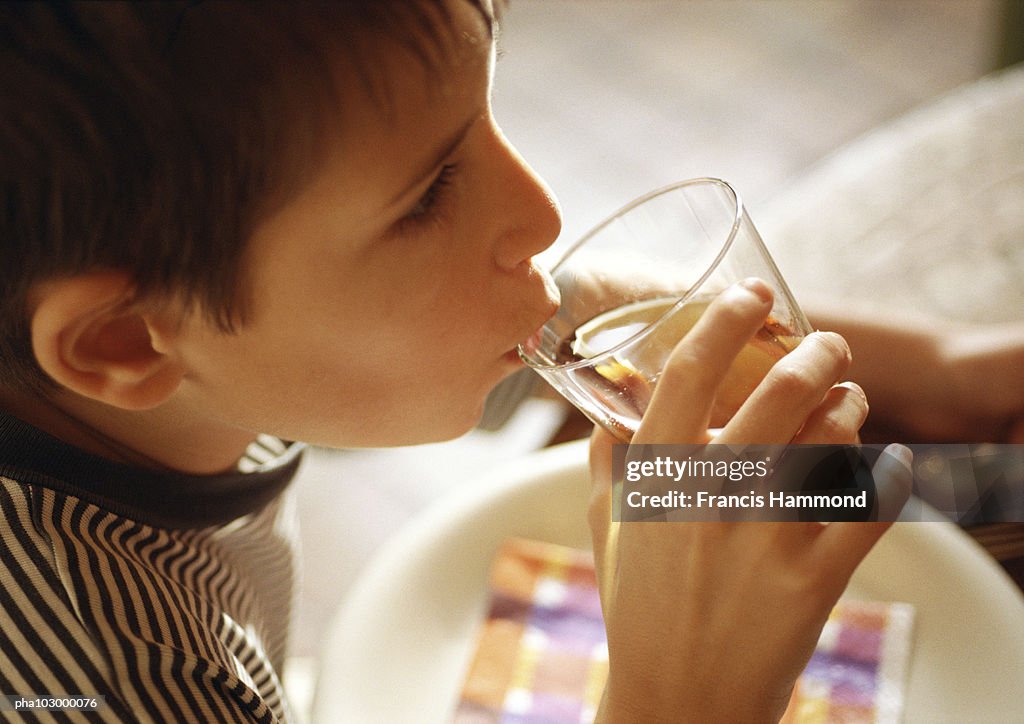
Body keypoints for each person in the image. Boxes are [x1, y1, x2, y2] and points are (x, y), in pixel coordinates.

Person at [0, 1, 1016, 722]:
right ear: (124, 342)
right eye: (428, 194)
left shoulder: (203, 353)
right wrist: (676, 697)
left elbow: (597, 316)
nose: (540, 213)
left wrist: (948, 368)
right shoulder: (107, 678)